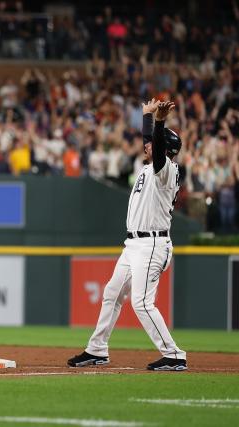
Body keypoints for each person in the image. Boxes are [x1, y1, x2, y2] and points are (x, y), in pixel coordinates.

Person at [68, 99, 187, 371]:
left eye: (152, 143)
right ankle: (97, 349)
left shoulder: (166, 170)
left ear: (164, 149)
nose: (145, 145)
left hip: (152, 244)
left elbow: (155, 149)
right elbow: (151, 143)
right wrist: (147, 116)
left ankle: (174, 354)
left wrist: (158, 122)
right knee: (112, 292)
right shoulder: (152, 165)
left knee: (142, 302)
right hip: (134, 244)